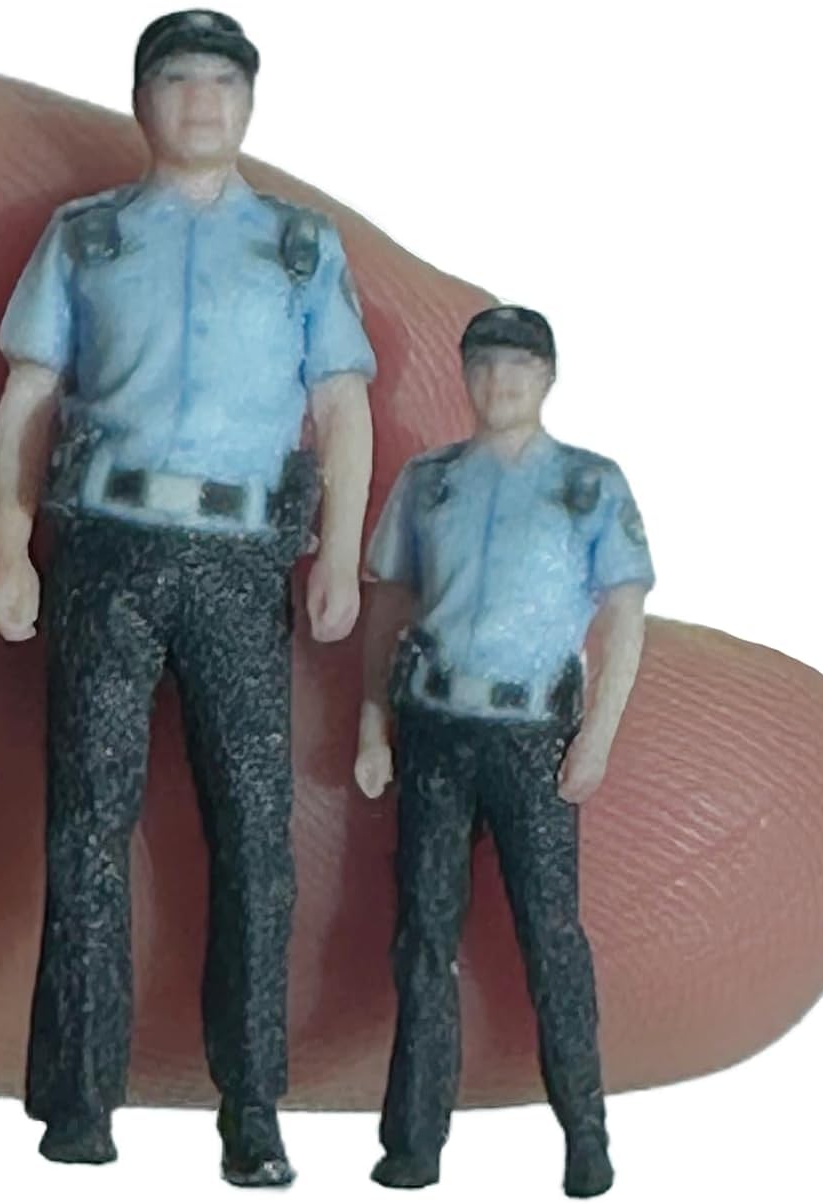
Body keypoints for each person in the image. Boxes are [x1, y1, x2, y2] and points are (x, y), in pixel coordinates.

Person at [0, 10, 376, 1187]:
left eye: (221, 82)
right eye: (175, 80)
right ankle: (78, 1093)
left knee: (256, 832)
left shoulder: (301, 247)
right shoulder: (86, 236)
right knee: (85, 824)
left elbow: (342, 407)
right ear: (141, 99)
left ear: (249, 103)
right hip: (104, 549)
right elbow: (28, 394)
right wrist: (8, 544)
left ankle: (250, 1104)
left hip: (239, 561)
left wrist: (340, 555)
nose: (200, 101)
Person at [355, 306, 654, 1197]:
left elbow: (624, 618)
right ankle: (413, 1140)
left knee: (552, 939)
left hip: (535, 739)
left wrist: (598, 737)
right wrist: (371, 723)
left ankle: (587, 1136)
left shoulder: (589, 485)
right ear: (465, 376)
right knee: (422, 938)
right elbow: (388, 604)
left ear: (548, 378)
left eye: (519, 367)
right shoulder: (429, 482)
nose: (500, 384)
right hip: (437, 729)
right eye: (484, 366)